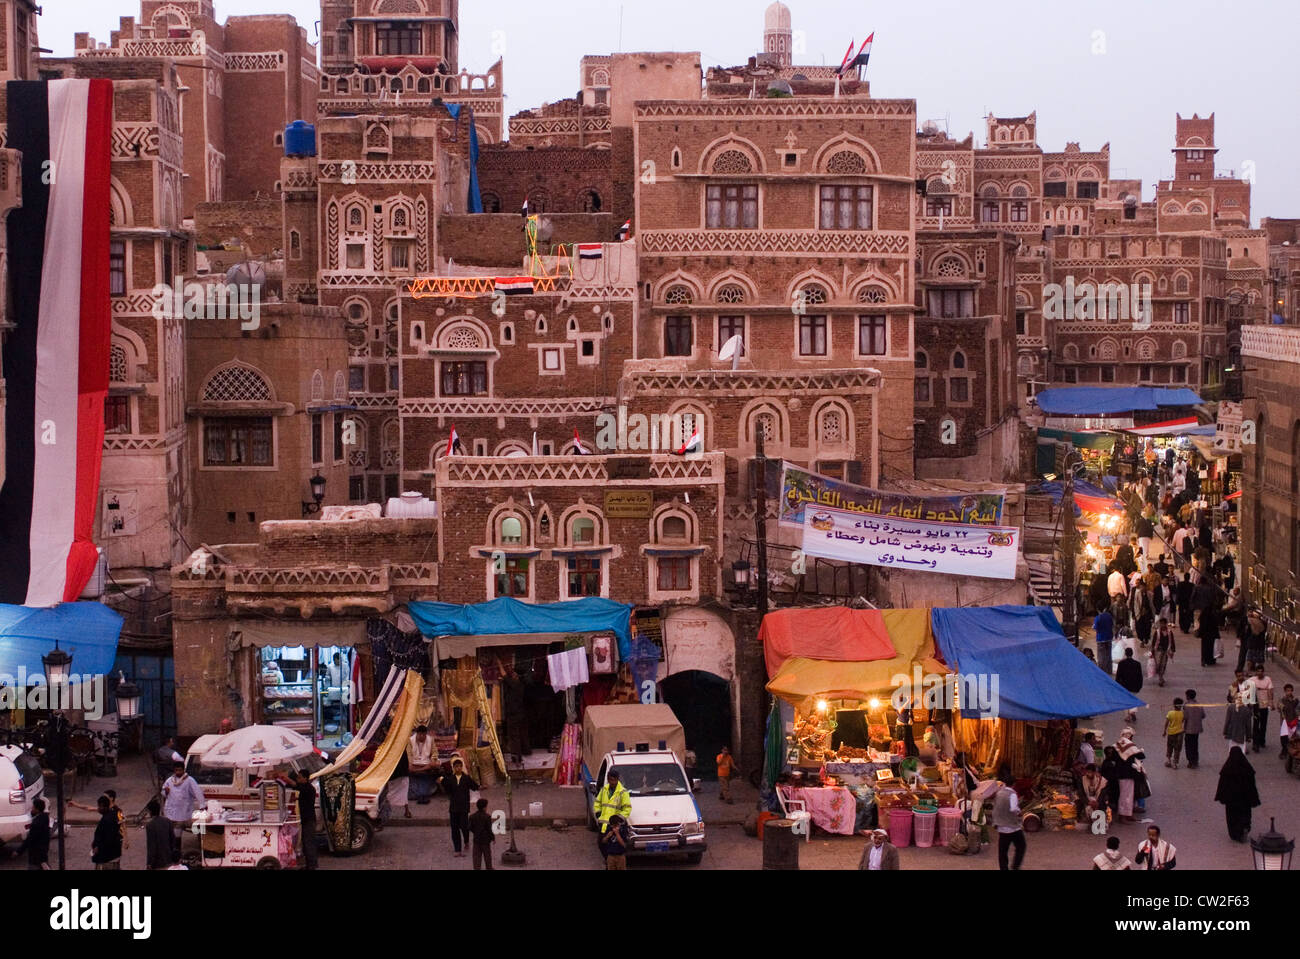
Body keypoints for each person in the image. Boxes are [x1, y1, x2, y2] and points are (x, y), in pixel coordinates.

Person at [1214, 746, 1260, 843]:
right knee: (1245, 815)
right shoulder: (1247, 769)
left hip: (1231, 801)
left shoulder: (1227, 769)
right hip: (1245, 800)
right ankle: (1244, 827)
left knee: (1232, 817)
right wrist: (1253, 798)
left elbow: (1222, 785)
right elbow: (1252, 786)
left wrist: (1222, 797)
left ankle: (1235, 834)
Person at [161, 760, 205, 859]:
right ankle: (177, 856)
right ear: (174, 770)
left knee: (200, 829)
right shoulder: (169, 781)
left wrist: (202, 806)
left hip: (187, 814)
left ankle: (202, 851)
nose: (178, 772)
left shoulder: (190, 780)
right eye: (176, 770)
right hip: (174, 815)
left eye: (180, 770)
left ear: (183, 770)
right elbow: (163, 793)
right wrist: (166, 792)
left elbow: (198, 793)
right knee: (176, 837)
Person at [438, 757, 479, 858]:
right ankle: (457, 849)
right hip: (453, 808)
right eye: (456, 767)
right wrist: (441, 781)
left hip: (464, 807)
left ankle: (466, 840)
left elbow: (475, 786)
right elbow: (445, 788)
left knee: (464, 827)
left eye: (459, 767)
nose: (458, 769)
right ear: (453, 768)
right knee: (454, 829)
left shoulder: (466, 778)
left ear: (461, 767)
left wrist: (481, 786)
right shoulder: (450, 779)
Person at [991, 768, 1025, 871]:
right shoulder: (1012, 794)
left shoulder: (999, 793)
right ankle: (1015, 867)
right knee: (1021, 846)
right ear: (1013, 784)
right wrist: (1019, 812)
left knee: (1002, 852)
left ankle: (1004, 868)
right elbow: (1013, 808)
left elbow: (995, 807)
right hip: (1012, 827)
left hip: (1001, 827)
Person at [1115, 729, 1146, 823]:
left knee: (1128, 795)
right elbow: (1141, 756)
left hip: (1122, 773)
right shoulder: (1129, 745)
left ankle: (1128, 814)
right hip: (1127, 774)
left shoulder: (1117, 744)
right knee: (1125, 795)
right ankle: (1122, 816)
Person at [1243, 665, 1274, 754]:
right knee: (1256, 724)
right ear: (1256, 672)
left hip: (1264, 705)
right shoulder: (1252, 680)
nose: (1260, 673)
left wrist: (1271, 703)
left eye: (1261, 671)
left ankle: (1262, 740)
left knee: (1263, 724)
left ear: (1263, 672)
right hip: (1256, 706)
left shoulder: (1268, 679)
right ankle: (1255, 743)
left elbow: (1271, 691)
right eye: (1258, 671)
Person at [593, 768, 633, 837]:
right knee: (602, 845)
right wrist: (598, 812)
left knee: (613, 847)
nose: (613, 782)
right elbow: (597, 802)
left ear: (617, 779)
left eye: (615, 780)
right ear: (608, 780)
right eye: (611, 780)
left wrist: (619, 818)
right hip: (603, 826)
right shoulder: (604, 790)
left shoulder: (623, 792)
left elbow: (627, 809)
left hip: (615, 827)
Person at [407, 725, 437, 807]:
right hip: (414, 764)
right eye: (420, 735)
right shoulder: (410, 740)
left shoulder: (430, 739)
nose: (422, 736)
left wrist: (433, 760)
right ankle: (422, 794)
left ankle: (421, 794)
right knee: (410, 769)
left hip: (426, 764)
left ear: (426, 734)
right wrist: (410, 764)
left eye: (424, 735)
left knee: (434, 765)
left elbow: (434, 752)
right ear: (417, 734)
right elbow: (409, 754)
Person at [91, 794, 122, 870]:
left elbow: (109, 838)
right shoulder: (112, 815)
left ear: (103, 806)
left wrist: (98, 847)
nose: (98, 809)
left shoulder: (107, 819)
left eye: (99, 806)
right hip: (113, 856)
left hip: (106, 858)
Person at [19, 797, 50, 870]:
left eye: (33, 807)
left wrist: (19, 851)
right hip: (43, 853)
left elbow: (29, 839)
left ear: (37, 809)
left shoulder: (36, 823)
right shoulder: (45, 818)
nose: (31, 809)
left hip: (35, 856)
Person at [1114, 648, 1144, 723]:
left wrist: (1117, 686)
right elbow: (1140, 676)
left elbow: (1118, 676)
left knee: (1126, 701)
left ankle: (1127, 716)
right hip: (1134, 686)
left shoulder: (1121, 664)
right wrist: (1139, 686)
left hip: (1124, 686)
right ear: (1132, 654)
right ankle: (1133, 711)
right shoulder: (1137, 664)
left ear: (1125, 654)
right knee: (1133, 699)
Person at [1098, 746, 1126, 820]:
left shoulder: (1116, 761)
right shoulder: (1106, 763)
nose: (1110, 754)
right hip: (1109, 782)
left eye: (1111, 753)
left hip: (1115, 782)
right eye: (1108, 753)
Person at [1223, 677, 1252, 750]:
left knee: (1232, 750)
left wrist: (1225, 731)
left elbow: (1227, 721)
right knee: (1241, 751)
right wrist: (1249, 736)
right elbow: (1248, 725)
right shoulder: (1247, 710)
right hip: (1242, 734)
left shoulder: (1231, 708)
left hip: (1232, 732)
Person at [144, 799, 172, 870]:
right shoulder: (167, 821)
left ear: (150, 812)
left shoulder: (150, 825)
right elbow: (172, 840)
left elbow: (151, 846)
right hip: (168, 858)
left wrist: (149, 863)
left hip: (158, 862)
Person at [468, 797, 494, 870]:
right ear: (484, 807)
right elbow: (489, 829)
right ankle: (489, 868)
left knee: (476, 857)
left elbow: (469, 827)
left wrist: (475, 831)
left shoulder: (472, 817)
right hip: (485, 840)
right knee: (487, 856)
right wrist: (492, 838)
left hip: (476, 839)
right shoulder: (487, 817)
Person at [1183, 689, 1204, 769]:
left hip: (1189, 729)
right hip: (1197, 729)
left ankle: (1190, 761)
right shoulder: (1199, 704)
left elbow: (1185, 717)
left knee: (1188, 745)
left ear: (1188, 696)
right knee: (1195, 744)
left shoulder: (1186, 705)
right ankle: (1195, 760)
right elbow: (1203, 715)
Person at [1152, 618, 1175, 686]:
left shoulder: (1169, 632)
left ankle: (1160, 678)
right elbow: (1154, 641)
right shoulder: (1157, 632)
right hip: (1158, 651)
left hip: (1166, 651)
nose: (1162, 625)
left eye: (1163, 623)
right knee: (1158, 664)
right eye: (1161, 623)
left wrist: (1173, 650)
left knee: (1163, 664)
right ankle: (1160, 676)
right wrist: (1152, 650)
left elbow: (1172, 641)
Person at [1278, 684, 1299, 759]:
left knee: (1293, 737)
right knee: (1284, 737)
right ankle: (1284, 750)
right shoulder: (1282, 700)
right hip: (1285, 721)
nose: (1289, 692)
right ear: (1285, 691)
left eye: (1290, 691)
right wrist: (1282, 706)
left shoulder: (1295, 700)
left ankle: (1292, 751)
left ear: (1292, 691)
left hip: (1293, 721)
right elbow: (1279, 708)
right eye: (1287, 691)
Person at [1163, 698, 1185, 769]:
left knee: (1169, 747)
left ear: (1173, 705)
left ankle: (1169, 761)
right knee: (1177, 748)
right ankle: (1175, 763)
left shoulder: (1170, 713)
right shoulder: (1183, 713)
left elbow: (1166, 723)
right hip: (1180, 733)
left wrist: (1164, 731)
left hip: (1171, 733)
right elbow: (1182, 721)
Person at [1093, 606, 1115, 677]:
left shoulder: (1098, 617)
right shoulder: (1109, 616)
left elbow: (1095, 627)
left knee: (1101, 656)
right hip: (1109, 637)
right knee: (1108, 655)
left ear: (1098, 610)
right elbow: (1112, 625)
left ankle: (1102, 672)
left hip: (1100, 639)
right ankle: (1109, 670)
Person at [1197, 604, 1220, 669]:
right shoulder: (1213, 616)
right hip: (1212, 636)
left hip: (1205, 635)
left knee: (1204, 648)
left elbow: (1201, 626)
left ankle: (1204, 659)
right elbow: (1215, 627)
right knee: (1211, 648)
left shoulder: (1203, 617)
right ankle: (1210, 660)